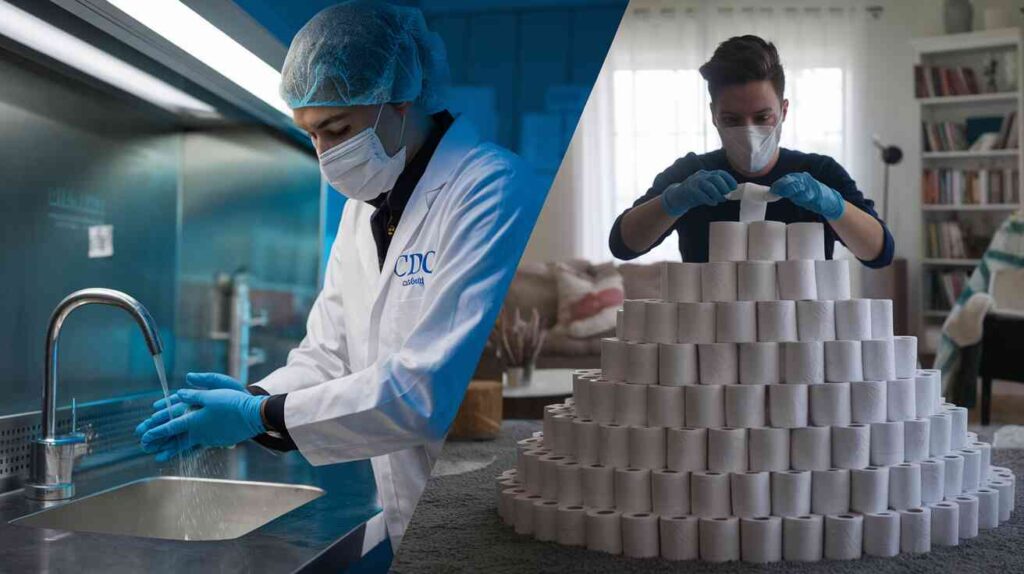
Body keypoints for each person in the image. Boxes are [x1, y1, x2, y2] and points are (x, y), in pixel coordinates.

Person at [135, 0, 544, 549]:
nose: (325, 155)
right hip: (409, 516)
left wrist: (258, 414)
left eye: (336, 128)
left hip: (476, 509)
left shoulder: (490, 188)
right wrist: (254, 398)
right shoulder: (365, 206)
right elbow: (328, 355)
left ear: (399, 99)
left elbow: (425, 392)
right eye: (310, 134)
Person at [609, 35, 894, 267]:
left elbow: (879, 253)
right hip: (710, 330)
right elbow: (623, 245)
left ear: (783, 111)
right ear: (714, 115)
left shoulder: (819, 171)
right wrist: (672, 201)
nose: (748, 130)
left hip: (802, 333)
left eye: (762, 117)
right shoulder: (690, 173)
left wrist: (834, 206)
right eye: (732, 119)